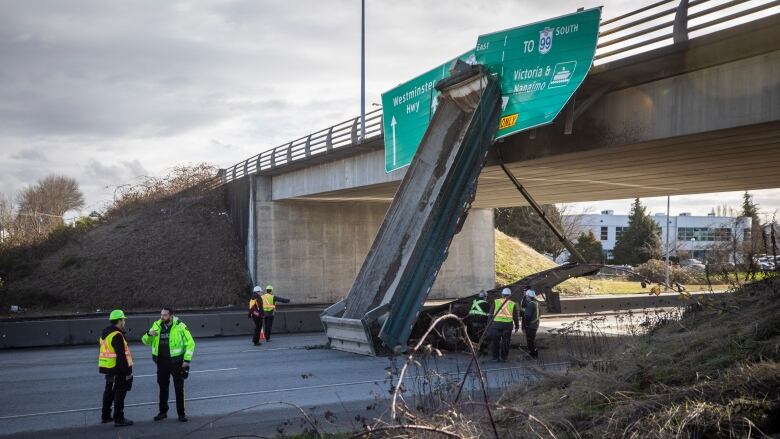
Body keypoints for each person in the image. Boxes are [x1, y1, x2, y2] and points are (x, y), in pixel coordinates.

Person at [141, 307, 196, 422]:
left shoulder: (180, 326)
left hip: (176, 362)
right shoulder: (157, 325)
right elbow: (145, 341)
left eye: (165, 315)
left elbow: (190, 343)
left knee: (178, 388)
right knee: (163, 387)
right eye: (161, 315)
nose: (162, 317)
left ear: (171, 316)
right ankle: (163, 412)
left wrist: (186, 360)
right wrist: (149, 334)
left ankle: (181, 414)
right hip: (161, 362)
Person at [98, 309, 134, 427]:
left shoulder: (105, 333)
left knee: (108, 391)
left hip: (108, 367)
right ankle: (119, 418)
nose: (124, 321)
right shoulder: (117, 335)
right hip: (117, 368)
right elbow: (121, 356)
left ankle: (106, 415)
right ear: (119, 321)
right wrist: (127, 372)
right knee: (120, 393)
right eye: (123, 320)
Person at [489, 288, 520, 362]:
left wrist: (489, 325)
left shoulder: (496, 302)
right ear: (510, 295)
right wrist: (517, 326)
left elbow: (490, 315)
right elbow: (515, 317)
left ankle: (495, 358)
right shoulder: (512, 304)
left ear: (502, 294)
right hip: (507, 326)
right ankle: (504, 357)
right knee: (506, 342)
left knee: (495, 342)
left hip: (496, 326)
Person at [522, 289, 541, 358]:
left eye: (526, 295)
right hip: (535, 324)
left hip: (531, 325)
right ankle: (534, 353)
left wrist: (526, 324)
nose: (526, 297)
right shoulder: (536, 303)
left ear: (528, 296)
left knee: (530, 341)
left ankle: (533, 354)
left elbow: (528, 316)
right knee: (532, 340)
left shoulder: (530, 304)